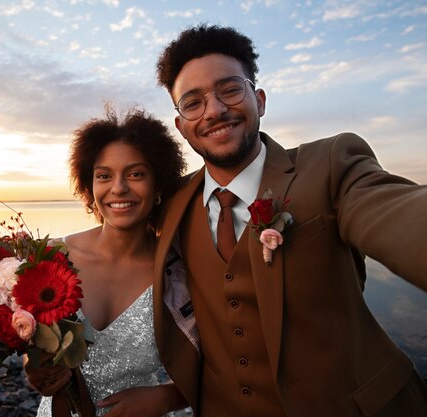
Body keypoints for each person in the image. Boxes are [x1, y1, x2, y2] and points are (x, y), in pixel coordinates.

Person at [152, 23, 427, 417]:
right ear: (181, 126)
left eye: (230, 89)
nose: (214, 110)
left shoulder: (332, 165)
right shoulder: (172, 203)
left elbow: (394, 211)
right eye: (193, 102)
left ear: (259, 100)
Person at [27, 107, 189, 417]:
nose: (118, 188)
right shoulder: (50, 257)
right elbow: (32, 343)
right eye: (104, 175)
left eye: (136, 174)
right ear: (90, 186)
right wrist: (35, 371)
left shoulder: (177, 271)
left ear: (158, 185)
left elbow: (223, 360)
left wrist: (168, 397)